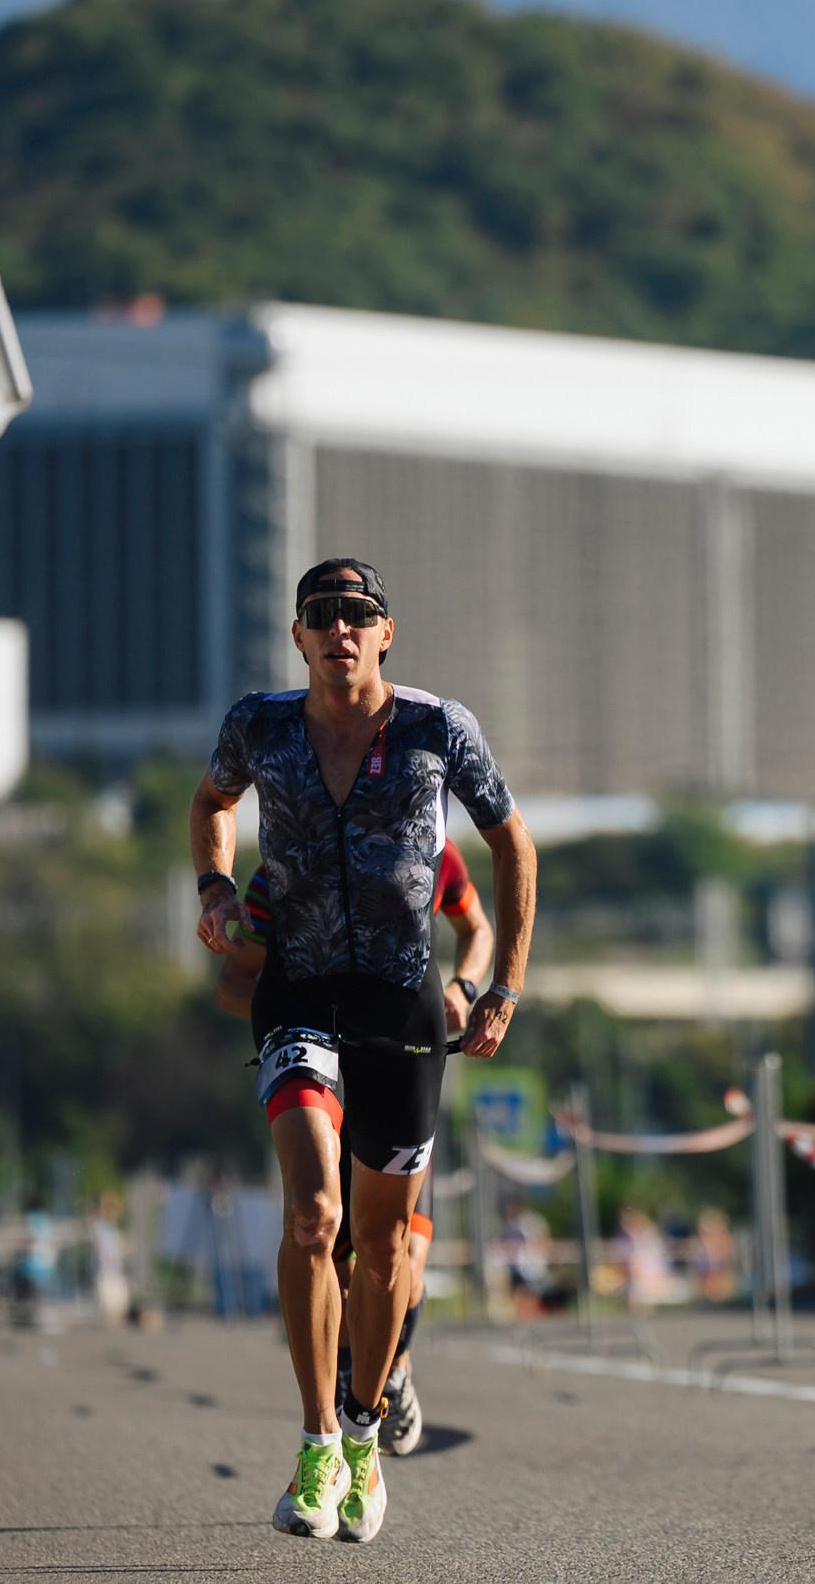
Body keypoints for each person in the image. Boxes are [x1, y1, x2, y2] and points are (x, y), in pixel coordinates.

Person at [191, 557, 536, 1543]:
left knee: (383, 1244)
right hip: (299, 994)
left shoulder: (437, 728)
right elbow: (210, 806)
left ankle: (362, 1432)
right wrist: (217, 891)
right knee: (314, 1215)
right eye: (322, 616)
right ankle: (310, 1443)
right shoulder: (259, 725)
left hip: (400, 1005)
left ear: (386, 634)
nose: (341, 629)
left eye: (359, 615)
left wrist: (500, 984)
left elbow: (513, 843)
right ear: (299, 638)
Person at [217, 838, 493, 1456]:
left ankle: (391, 1370)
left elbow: (477, 928)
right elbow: (234, 985)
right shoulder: (278, 876)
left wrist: (465, 988)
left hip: (397, 1065)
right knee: (330, 1254)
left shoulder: (434, 855)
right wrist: (293, 1019)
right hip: (324, 1083)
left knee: (402, 1264)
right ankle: (346, 1400)